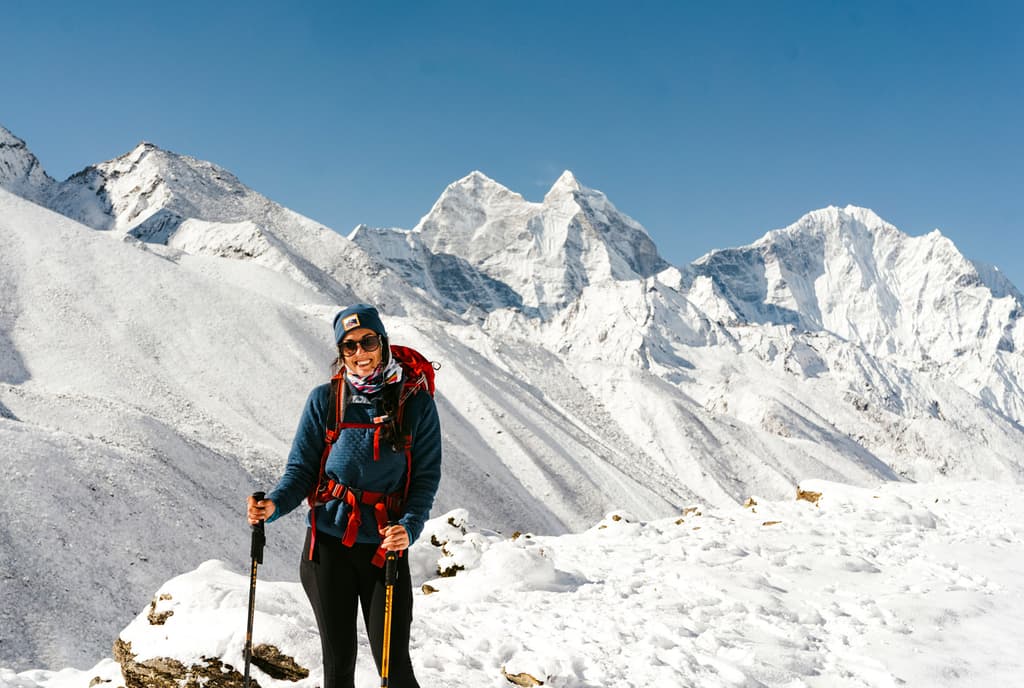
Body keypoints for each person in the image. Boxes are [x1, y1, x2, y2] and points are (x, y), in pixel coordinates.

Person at [247, 304, 442, 688]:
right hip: (326, 549)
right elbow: (301, 471)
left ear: (383, 343)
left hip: (384, 550)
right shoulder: (325, 400)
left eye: (367, 342)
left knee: (394, 669)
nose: (359, 353)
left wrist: (409, 527)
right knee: (338, 667)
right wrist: (274, 505)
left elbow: (425, 479)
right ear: (341, 352)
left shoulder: (415, 404)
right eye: (349, 346)